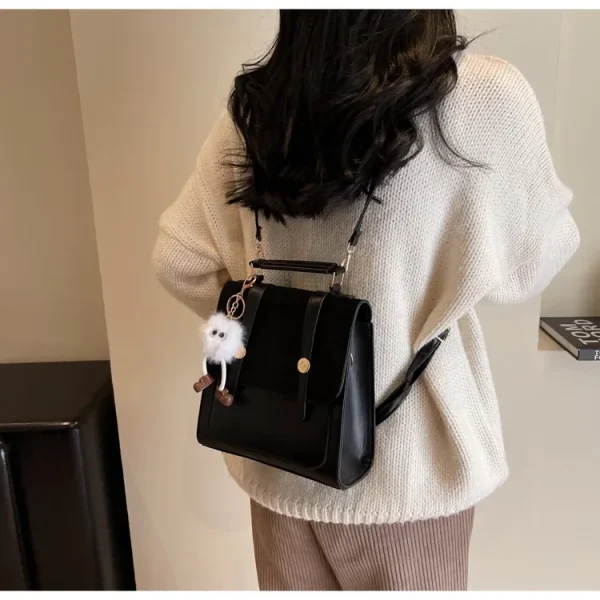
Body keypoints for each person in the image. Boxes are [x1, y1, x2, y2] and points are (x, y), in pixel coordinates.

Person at [152, 10, 580, 591]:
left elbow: (179, 259)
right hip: (410, 479)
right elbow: (534, 263)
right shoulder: (481, 96)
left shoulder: (257, 112)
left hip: (279, 460)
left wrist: (263, 344)